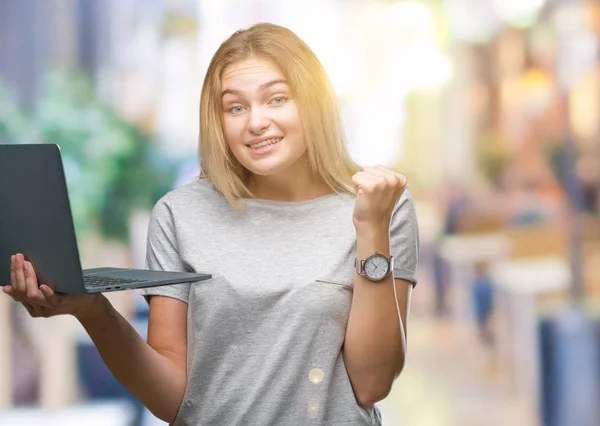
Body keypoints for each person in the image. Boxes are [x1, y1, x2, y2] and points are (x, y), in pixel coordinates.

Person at [3, 23, 419, 425]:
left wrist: (371, 230)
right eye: (235, 107)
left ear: (315, 101)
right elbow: (172, 401)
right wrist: (92, 311)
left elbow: (371, 383)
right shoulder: (179, 215)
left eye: (277, 99)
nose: (255, 121)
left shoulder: (382, 206)